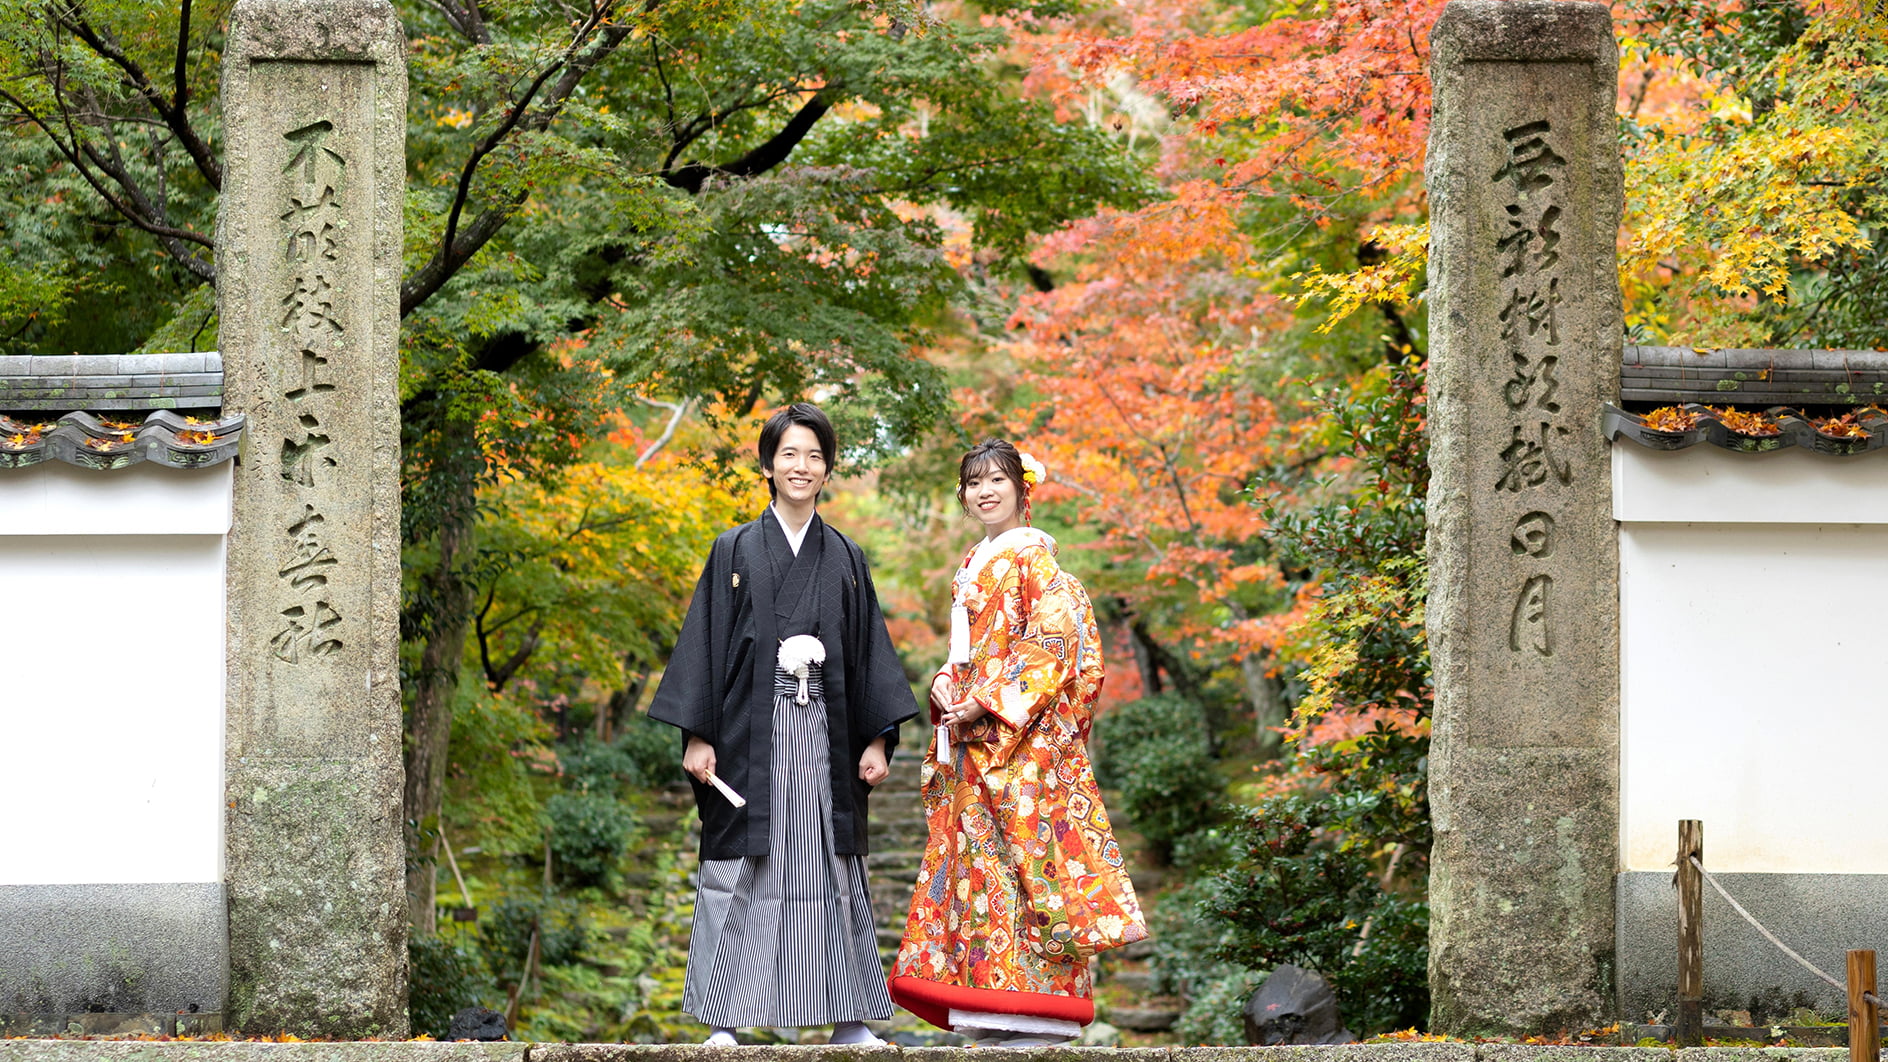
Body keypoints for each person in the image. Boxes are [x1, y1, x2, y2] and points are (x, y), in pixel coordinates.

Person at [649, 402, 918, 1046]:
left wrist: (878, 737)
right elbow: (706, 645)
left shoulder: (847, 556)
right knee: (744, 862)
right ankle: (727, 1018)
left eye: (815, 455)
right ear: (768, 464)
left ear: (828, 470)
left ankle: (848, 1019)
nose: (802, 466)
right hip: (749, 732)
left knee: (830, 866)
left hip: (828, 736)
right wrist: (697, 732)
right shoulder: (734, 548)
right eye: (790, 454)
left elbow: (866, 651)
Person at [887, 439, 1147, 1047]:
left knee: (1031, 870)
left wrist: (988, 699)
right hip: (976, 744)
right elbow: (961, 656)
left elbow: (1053, 644)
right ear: (962, 495)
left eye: (997, 479)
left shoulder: (1036, 562)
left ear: (1022, 490)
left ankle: (1040, 1011)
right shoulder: (972, 565)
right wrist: (949, 687)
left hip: (1023, 747)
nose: (984, 490)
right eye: (973, 482)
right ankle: (987, 1002)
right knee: (980, 869)